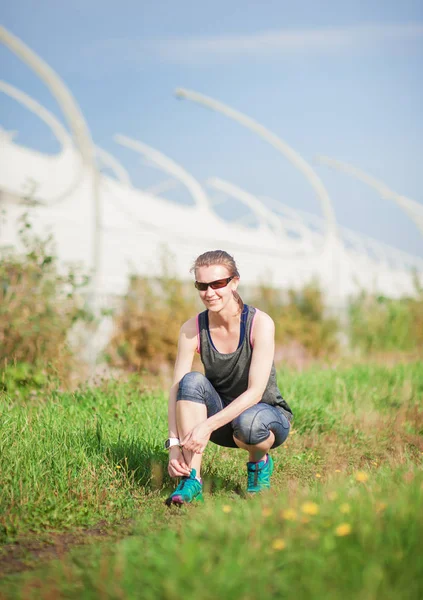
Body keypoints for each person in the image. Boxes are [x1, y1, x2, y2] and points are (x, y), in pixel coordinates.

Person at [164, 250, 293, 506]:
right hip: (220, 420)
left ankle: (259, 463)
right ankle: (192, 479)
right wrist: (174, 445)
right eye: (202, 285)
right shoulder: (192, 328)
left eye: (218, 284)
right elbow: (176, 389)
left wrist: (205, 427)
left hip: (264, 416)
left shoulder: (260, 323)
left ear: (234, 282)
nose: (209, 292)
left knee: (249, 423)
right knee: (190, 382)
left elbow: (256, 392)